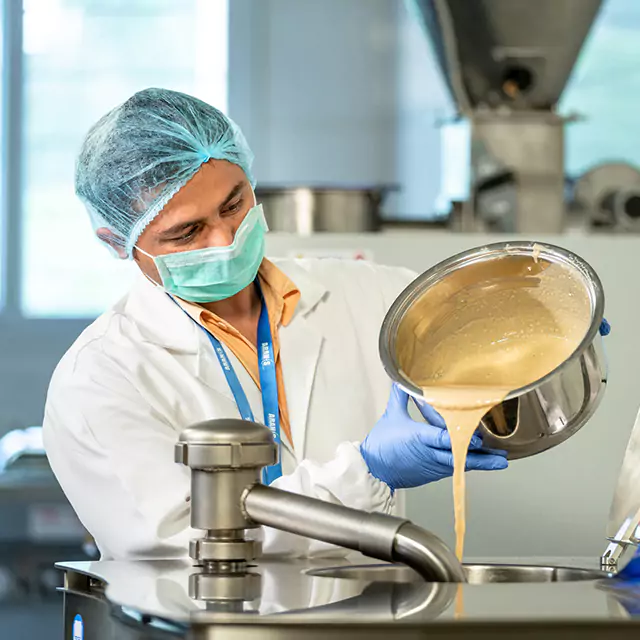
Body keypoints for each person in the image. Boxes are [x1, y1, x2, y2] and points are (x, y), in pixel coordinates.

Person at [43, 88, 509, 561]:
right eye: (188, 232)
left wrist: (548, 310)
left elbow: (486, 328)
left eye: (233, 204)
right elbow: (182, 549)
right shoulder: (99, 379)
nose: (225, 239)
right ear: (118, 241)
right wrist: (367, 471)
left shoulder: (370, 294)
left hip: (373, 616)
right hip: (219, 630)